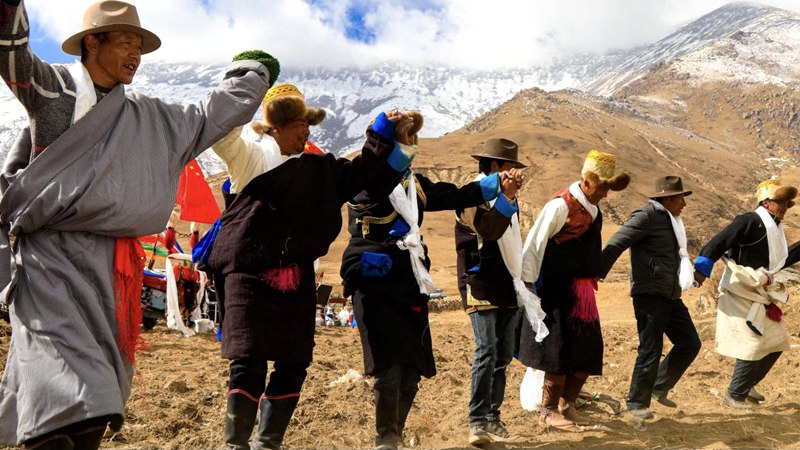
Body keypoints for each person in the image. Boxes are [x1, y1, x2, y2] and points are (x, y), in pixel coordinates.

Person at [0, 1, 273, 448]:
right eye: (126, 42)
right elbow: (14, 59)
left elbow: (210, 115)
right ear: (92, 43)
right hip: (50, 267)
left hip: (110, 275)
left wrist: (251, 74)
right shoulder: (57, 94)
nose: (136, 54)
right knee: (55, 387)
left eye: (140, 46)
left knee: (97, 402)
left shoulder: (156, 118)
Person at [207, 88, 419, 449]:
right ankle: (236, 444)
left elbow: (364, 174)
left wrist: (389, 136)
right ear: (275, 128)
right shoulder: (249, 157)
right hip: (249, 275)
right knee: (250, 363)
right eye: (297, 125)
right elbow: (222, 137)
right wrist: (243, 93)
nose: (306, 132)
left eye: (308, 124)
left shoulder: (320, 169)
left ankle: (266, 443)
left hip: (296, 276)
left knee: (293, 364)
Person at [341, 136, 522, 450]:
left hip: (410, 281)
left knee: (411, 367)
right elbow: (374, 185)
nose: (413, 148)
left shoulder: (416, 184)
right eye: (404, 143)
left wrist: (498, 187)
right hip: (374, 279)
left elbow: (455, 194)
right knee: (389, 365)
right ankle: (385, 438)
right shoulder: (364, 179)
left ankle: (395, 434)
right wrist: (386, 134)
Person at [518, 150, 630, 430]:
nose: (606, 193)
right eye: (603, 186)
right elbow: (534, 244)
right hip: (555, 290)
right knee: (558, 351)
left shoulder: (594, 208)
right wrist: (529, 286)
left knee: (588, 349)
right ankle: (548, 410)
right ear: (588, 181)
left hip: (582, 293)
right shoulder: (560, 206)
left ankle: (568, 403)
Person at [599, 176, 702, 419]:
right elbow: (617, 242)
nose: (684, 205)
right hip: (650, 294)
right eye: (680, 198)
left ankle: (658, 386)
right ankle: (636, 404)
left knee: (690, 343)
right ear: (667, 198)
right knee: (650, 348)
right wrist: (597, 272)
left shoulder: (672, 222)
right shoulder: (646, 216)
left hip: (670, 293)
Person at [694, 179, 800, 410]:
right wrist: (702, 269)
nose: (784, 206)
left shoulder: (775, 228)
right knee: (751, 344)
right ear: (766, 202)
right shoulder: (749, 221)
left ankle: (747, 384)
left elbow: (778, 262)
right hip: (740, 290)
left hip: (761, 293)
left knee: (776, 343)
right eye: (779, 201)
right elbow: (719, 242)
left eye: (786, 203)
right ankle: (735, 396)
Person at [454, 138, 528, 445]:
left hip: (507, 282)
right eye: (510, 166)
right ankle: (477, 420)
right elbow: (488, 230)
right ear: (495, 167)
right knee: (485, 350)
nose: (514, 173)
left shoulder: (509, 199)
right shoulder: (471, 195)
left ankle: (493, 415)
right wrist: (506, 198)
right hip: (479, 282)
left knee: (502, 355)